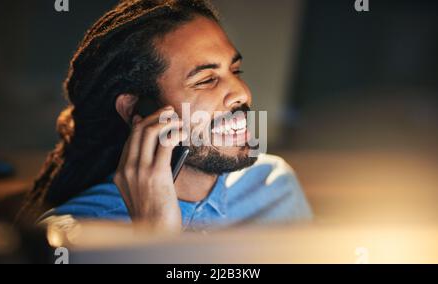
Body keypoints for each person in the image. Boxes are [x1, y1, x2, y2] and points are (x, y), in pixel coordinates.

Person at [18, 0, 312, 232]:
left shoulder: (274, 185)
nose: (242, 94)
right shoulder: (73, 235)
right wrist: (153, 236)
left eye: (235, 71)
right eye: (205, 80)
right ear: (136, 110)